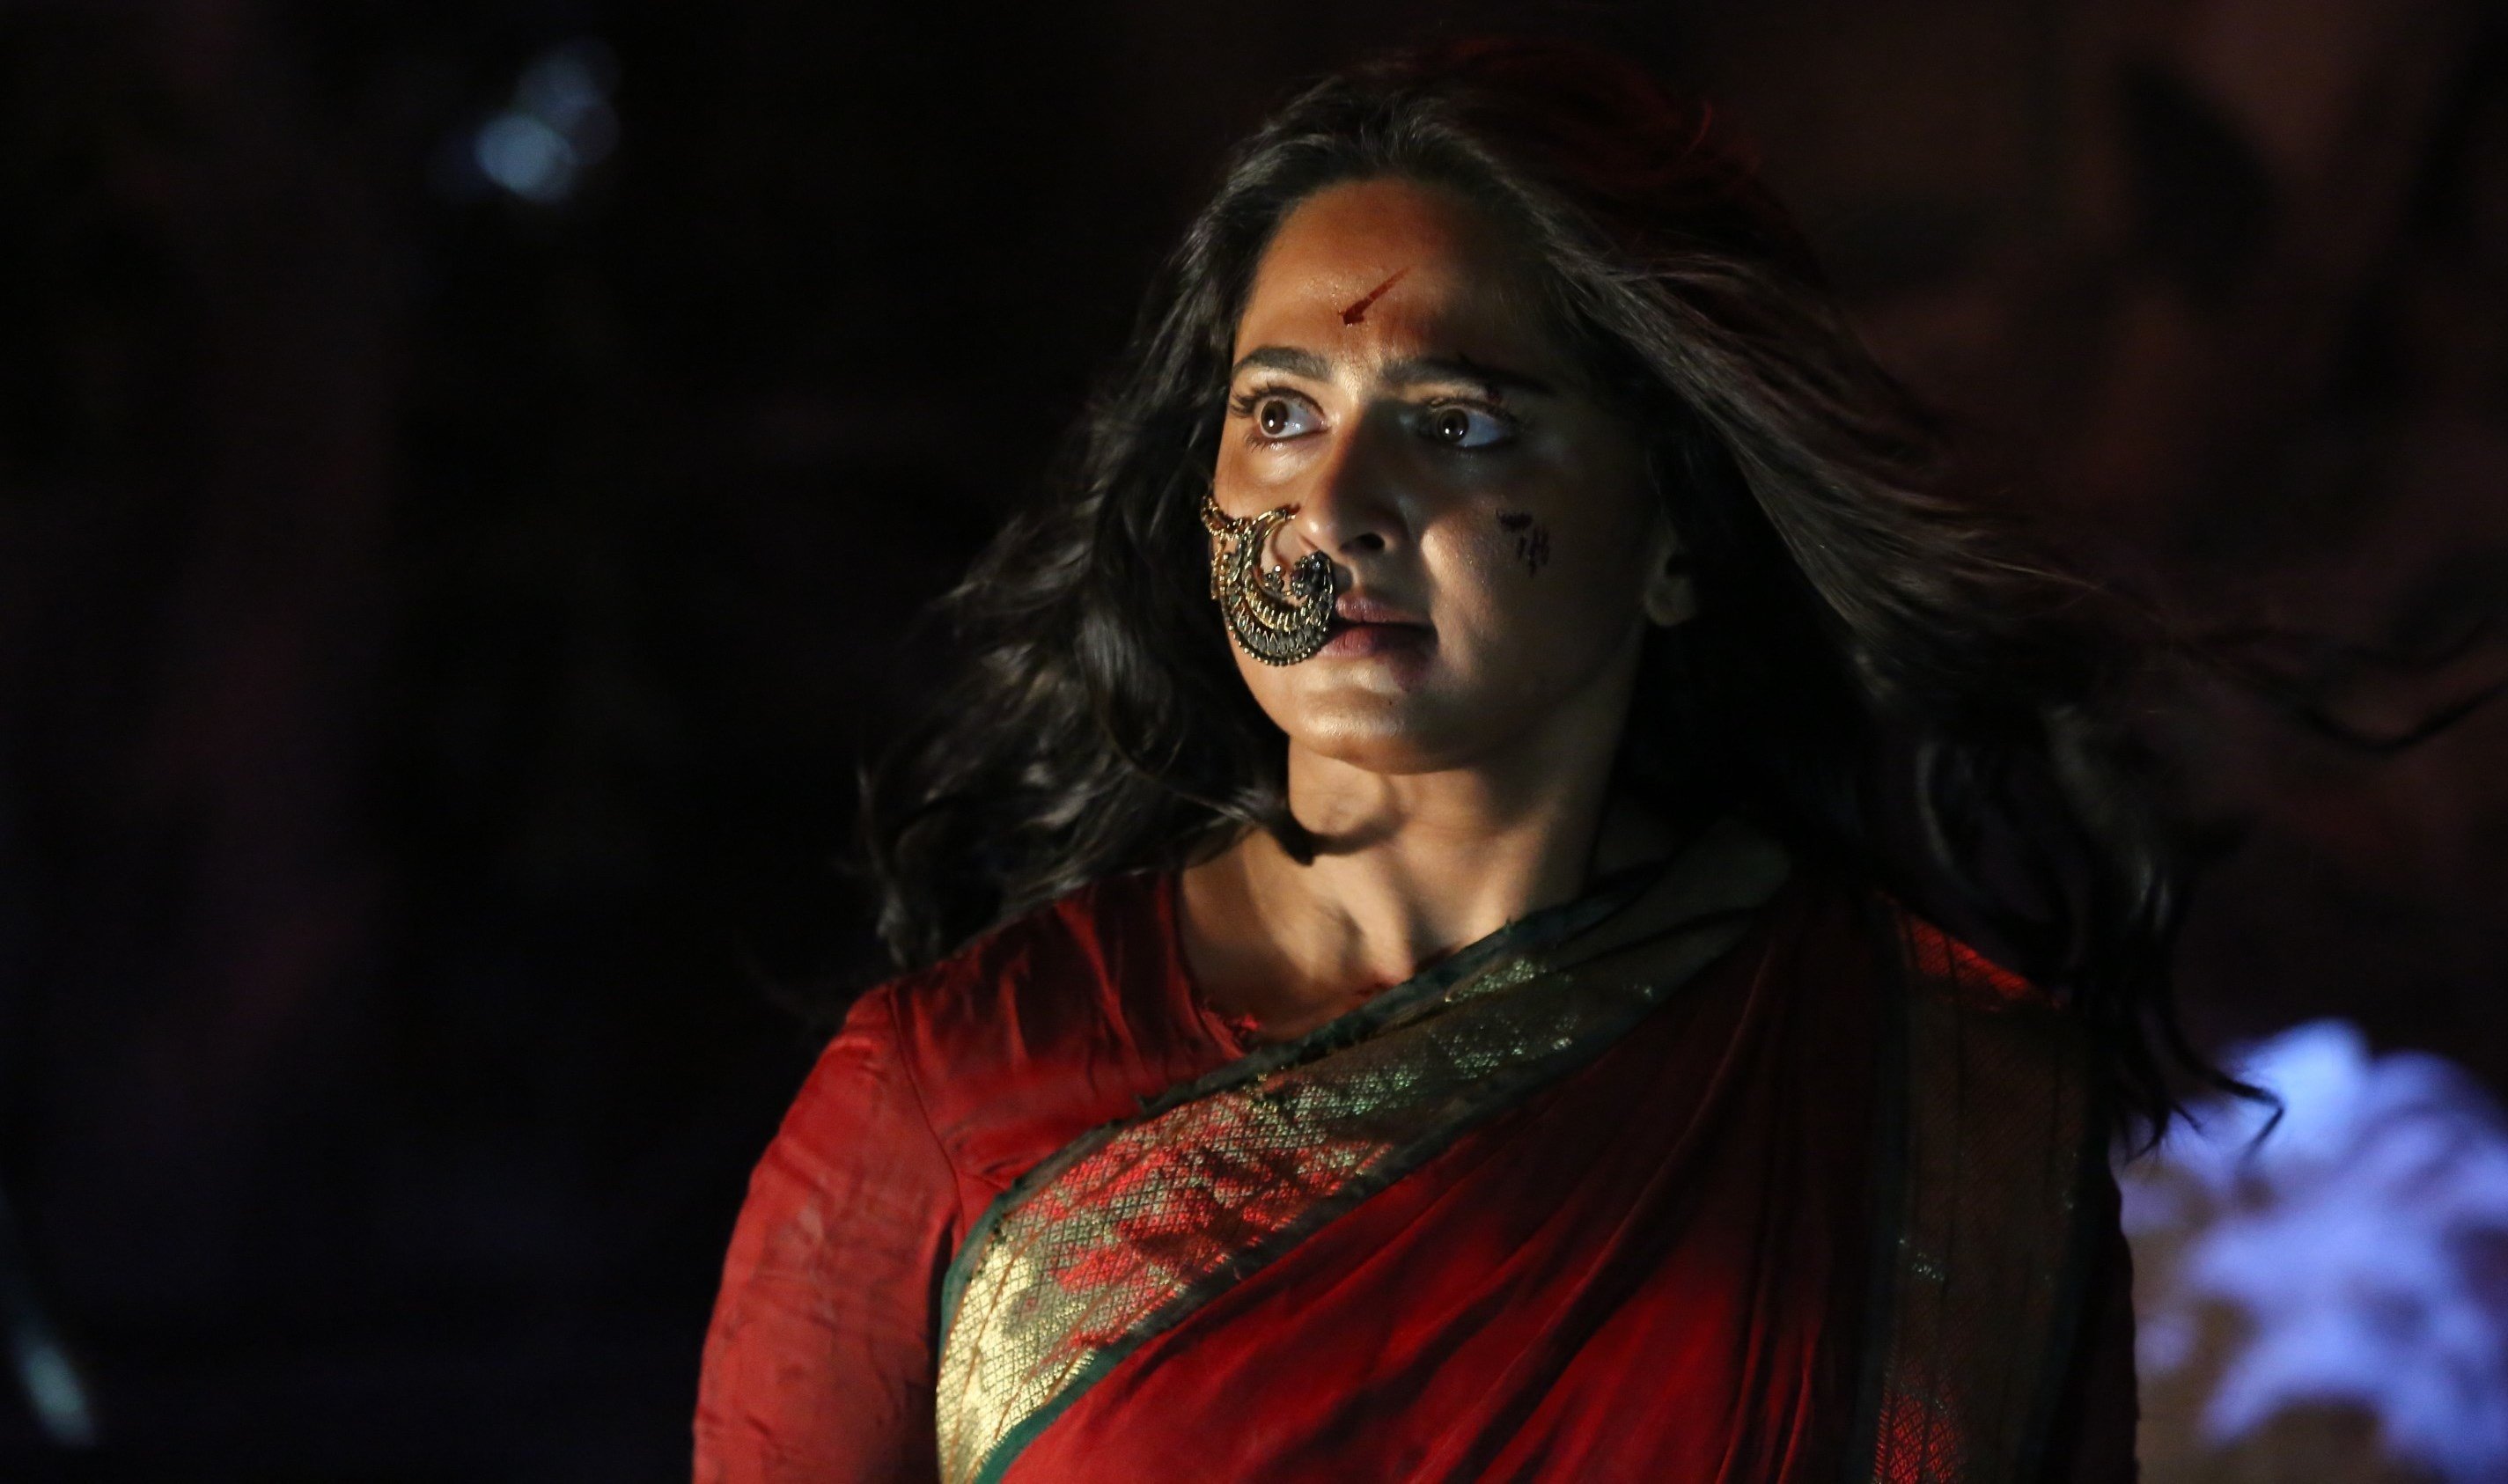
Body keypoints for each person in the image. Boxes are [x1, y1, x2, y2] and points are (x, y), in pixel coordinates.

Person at [695, 39, 2190, 1484]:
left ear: (1674, 535)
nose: (1334, 507)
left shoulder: (1939, 1106)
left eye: (1459, 425)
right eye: (1281, 414)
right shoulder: (952, 1096)